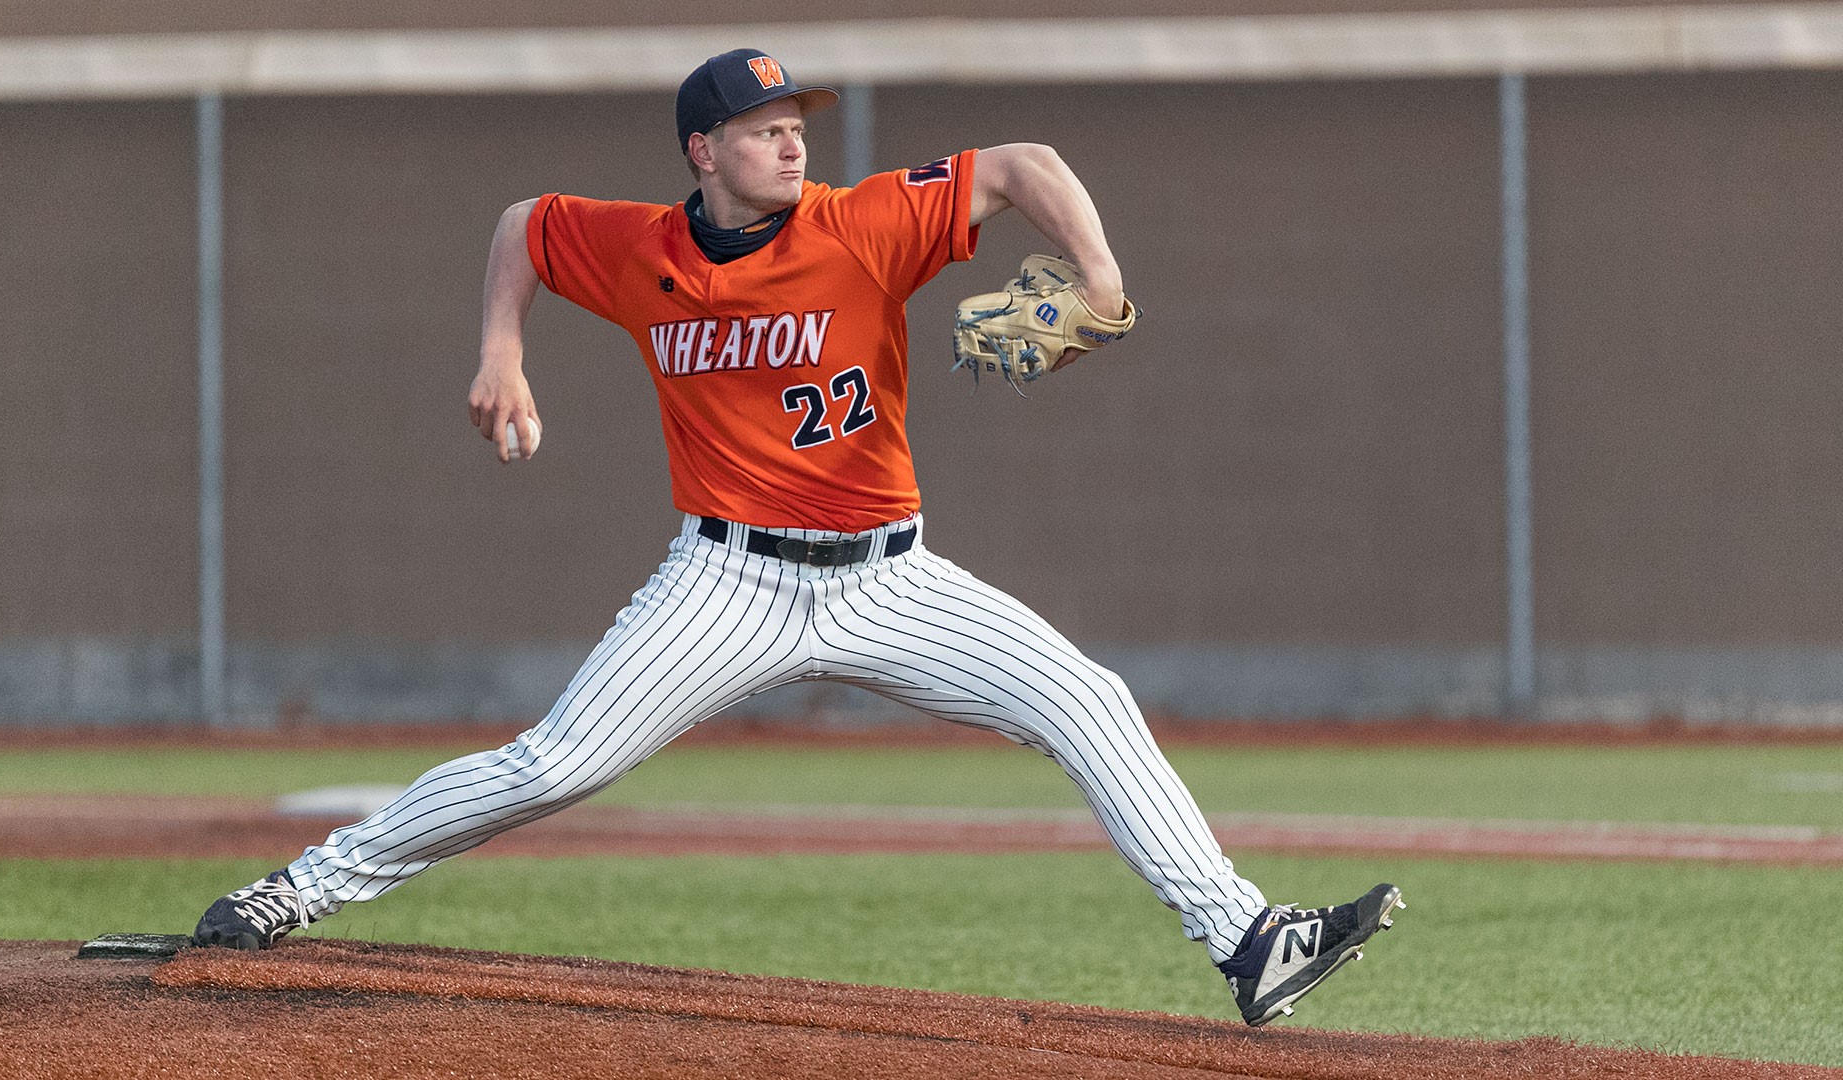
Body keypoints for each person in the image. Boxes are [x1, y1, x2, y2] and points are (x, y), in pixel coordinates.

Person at [191, 48, 1402, 1027]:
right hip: (724, 581)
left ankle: (1250, 942)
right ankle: (297, 888)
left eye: (796, 123)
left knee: (1088, 700)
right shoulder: (642, 249)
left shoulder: (864, 223)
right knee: (556, 768)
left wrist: (1099, 274)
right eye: (764, 127)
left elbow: (1022, 163)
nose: (792, 142)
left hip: (892, 577)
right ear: (701, 151)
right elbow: (525, 223)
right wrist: (501, 351)